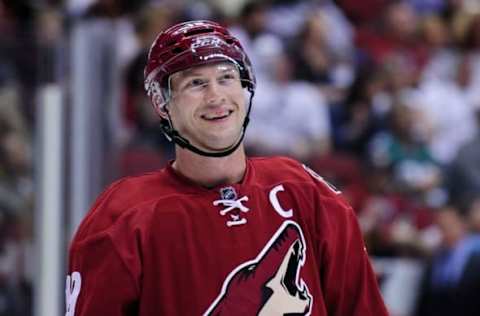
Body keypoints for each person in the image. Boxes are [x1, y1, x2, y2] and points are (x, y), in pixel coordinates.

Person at [65, 20, 388, 316]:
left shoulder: (306, 192)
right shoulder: (123, 216)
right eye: (195, 83)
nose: (215, 96)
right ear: (162, 103)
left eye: (226, 77)